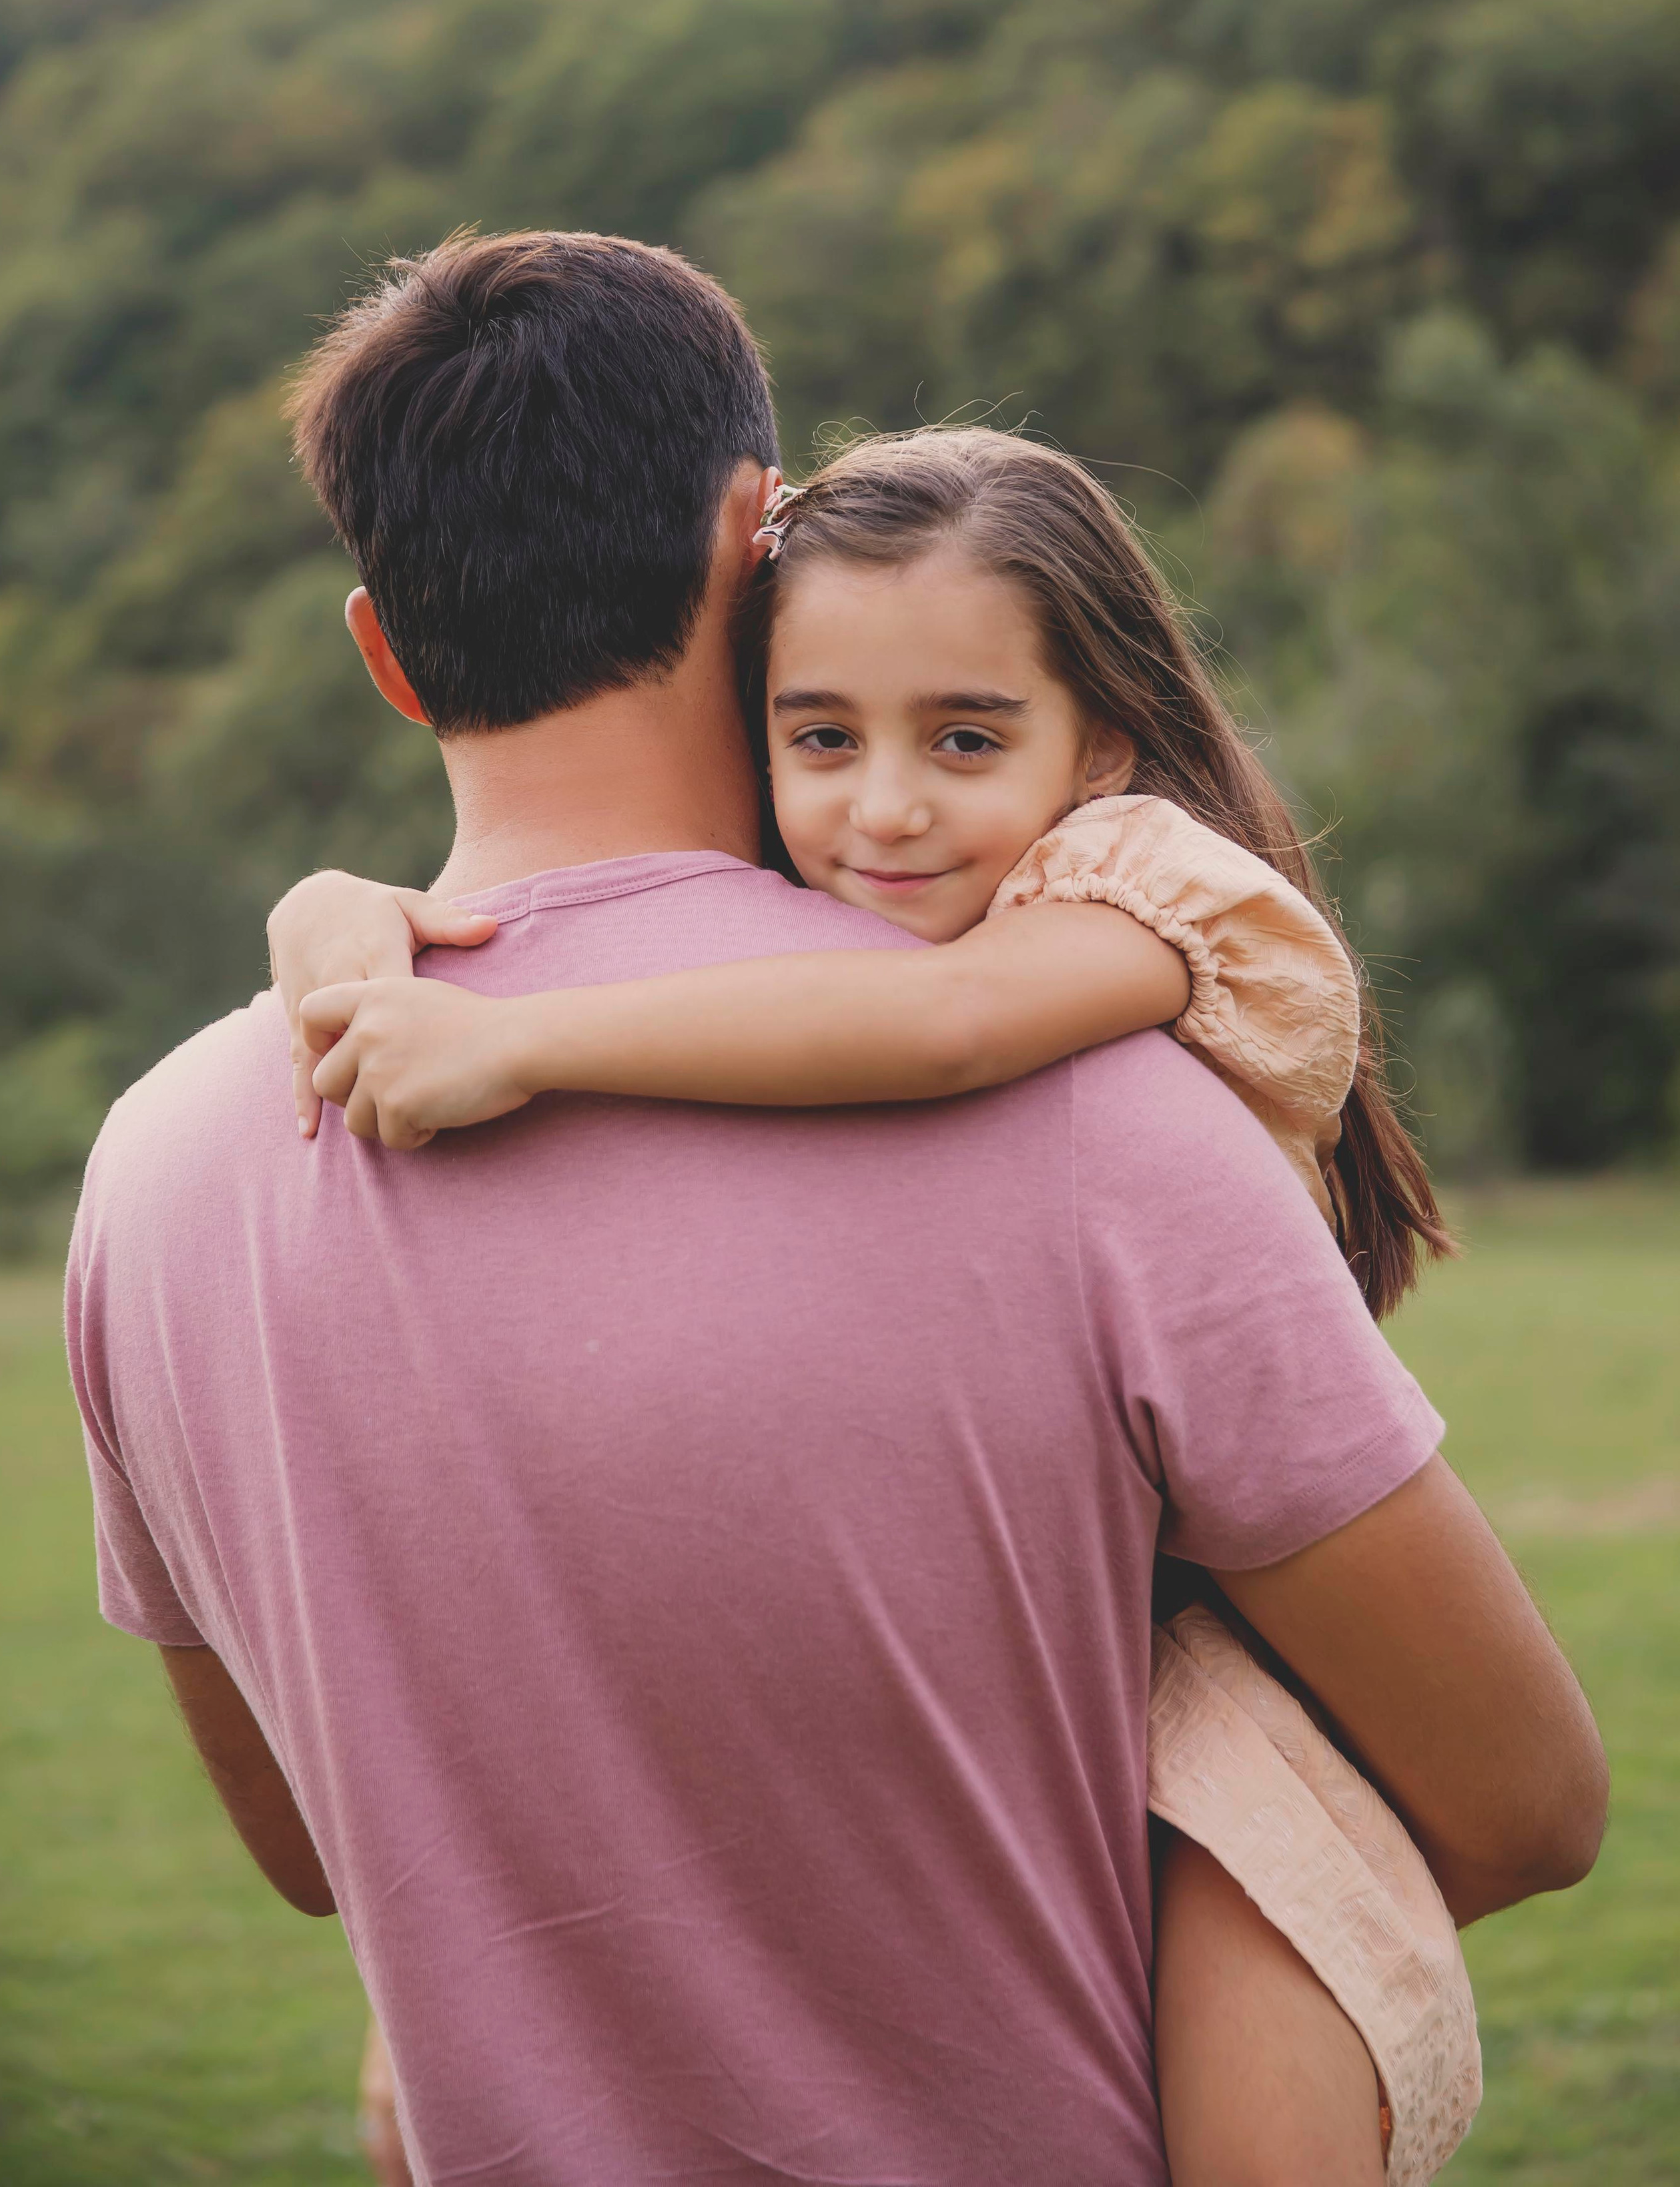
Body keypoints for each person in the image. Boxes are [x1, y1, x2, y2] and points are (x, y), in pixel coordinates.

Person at [66, 230, 1607, 2187]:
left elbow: (308, 1849)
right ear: (755, 549)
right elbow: (1526, 1805)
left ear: (381, 650)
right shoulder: (1099, 1116)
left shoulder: (156, 1168)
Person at [267, 422, 1454, 2182]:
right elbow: (398, 903)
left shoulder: (1145, 889)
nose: (884, 806)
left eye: (966, 740)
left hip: (1202, 1640)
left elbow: (952, 1038)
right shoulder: (819, 902)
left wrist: (521, 1038)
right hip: (959, 1629)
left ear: (1103, 740)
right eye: (820, 736)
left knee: (1254, 2022)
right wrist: (343, 919)